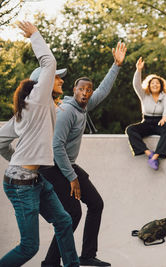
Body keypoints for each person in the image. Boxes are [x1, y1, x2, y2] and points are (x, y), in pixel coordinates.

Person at [39, 42, 127, 267]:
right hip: (53, 167)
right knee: (71, 213)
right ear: (74, 90)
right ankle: (50, 262)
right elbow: (56, 146)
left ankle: (87, 255)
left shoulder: (84, 107)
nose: (86, 93)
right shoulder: (68, 111)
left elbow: (103, 90)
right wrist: (72, 177)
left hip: (65, 165)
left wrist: (116, 65)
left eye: (89, 90)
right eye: (82, 89)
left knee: (96, 204)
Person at [0, 22, 79, 267]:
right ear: (42, 84)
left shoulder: (32, 109)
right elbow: (49, 63)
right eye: (57, 79)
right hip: (21, 183)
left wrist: (16, 159)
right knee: (29, 247)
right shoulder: (37, 99)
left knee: (64, 221)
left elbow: (1, 141)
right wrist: (35, 35)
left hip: (33, 179)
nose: (61, 81)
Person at [125, 57, 166, 170]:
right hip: (146, 121)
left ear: (161, 86)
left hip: (159, 122)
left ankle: (155, 157)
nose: (155, 85)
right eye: (152, 83)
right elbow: (136, 84)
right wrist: (138, 70)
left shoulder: (165, 96)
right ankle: (149, 154)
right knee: (130, 129)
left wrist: (164, 118)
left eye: (157, 83)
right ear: (149, 85)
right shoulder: (144, 95)